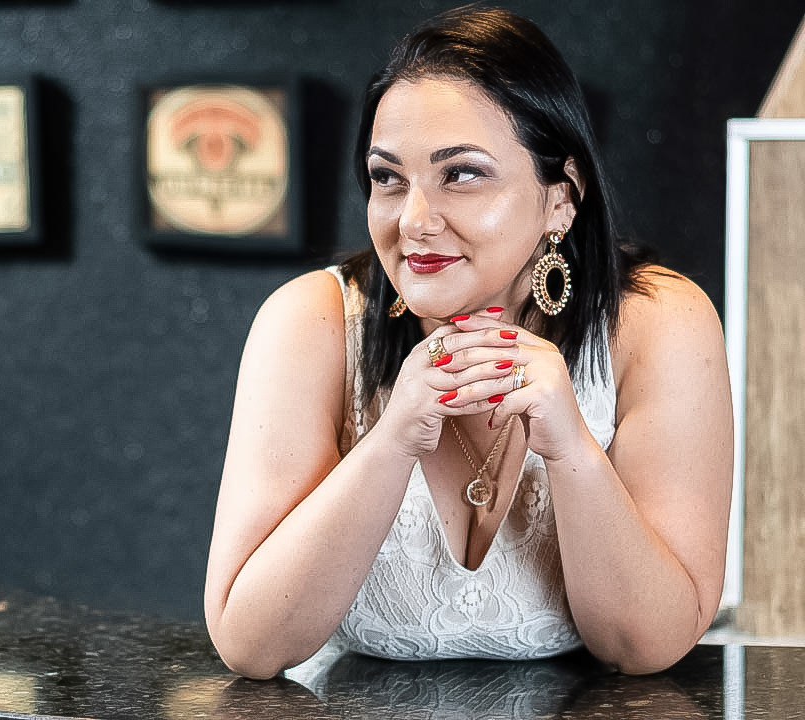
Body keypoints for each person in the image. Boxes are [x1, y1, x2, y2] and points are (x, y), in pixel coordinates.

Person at [204, 6, 733, 680]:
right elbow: (251, 645)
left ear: (561, 197)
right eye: (388, 178)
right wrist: (393, 440)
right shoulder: (311, 322)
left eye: (461, 174)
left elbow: (645, 646)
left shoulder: (657, 321)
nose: (413, 221)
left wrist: (570, 447)